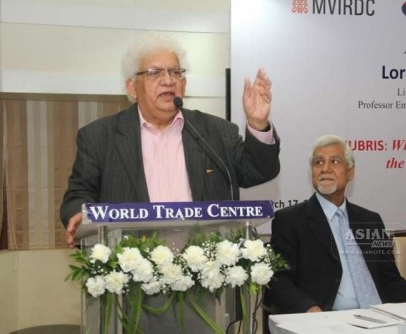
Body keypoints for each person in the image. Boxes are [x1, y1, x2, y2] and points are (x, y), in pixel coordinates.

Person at [60, 33, 280, 248]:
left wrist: (258, 123)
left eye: (175, 72)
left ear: (183, 83)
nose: (168, 81)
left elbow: (258, 171)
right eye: (155, 73)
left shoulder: (215, 132)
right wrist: (80, 214)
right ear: (132, 88)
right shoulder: (100, 137)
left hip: (207, 268)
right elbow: (78, 195)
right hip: (133, 272)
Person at [264, 134, 406, 314]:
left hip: (379, 317)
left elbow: (388, 278)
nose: (325, 168)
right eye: (318, 162)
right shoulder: (290, 220)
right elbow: (278, 281)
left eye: (334, 161)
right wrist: (310, 310)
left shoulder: (370, 221)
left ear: (350, 172)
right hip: (326, 319)